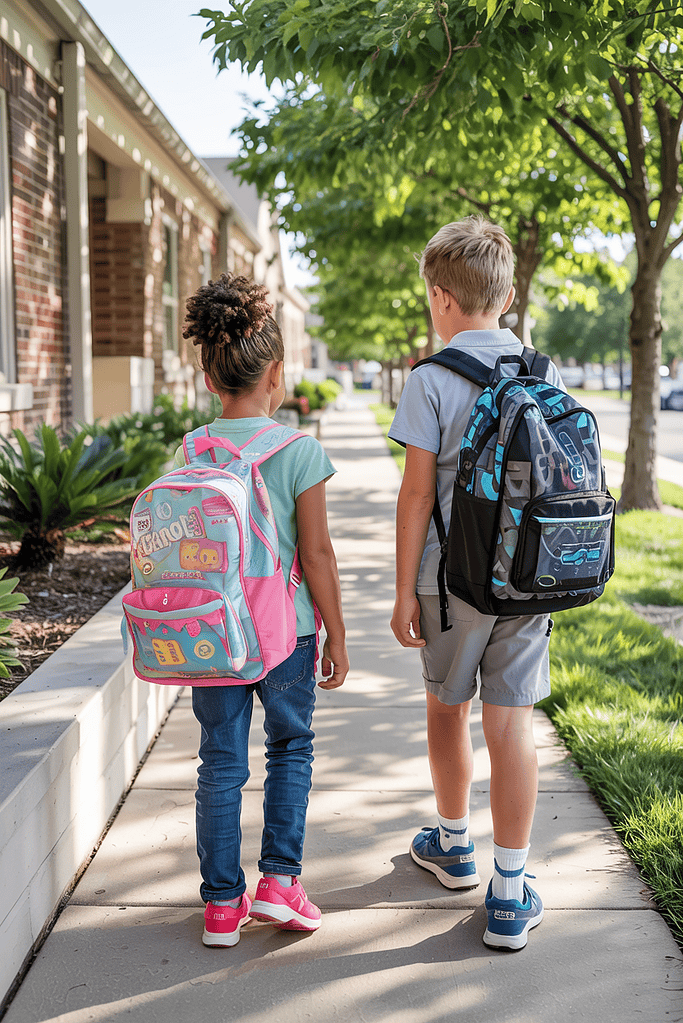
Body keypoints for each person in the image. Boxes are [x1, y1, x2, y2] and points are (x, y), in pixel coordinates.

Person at [388, 216, 564, 952]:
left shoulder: (429, 378)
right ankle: (510, 888)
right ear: (509, 293)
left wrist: (404, 592)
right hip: (524, 579)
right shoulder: (542, 372)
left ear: (438, 297)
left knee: (445, 707)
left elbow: (417, 495)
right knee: (511, 722)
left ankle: (454, 844)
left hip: (447, 582)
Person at [178, 272, 349, 947]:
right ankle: (279, 882)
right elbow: (318, 554)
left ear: (207, 373)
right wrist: (336, 632)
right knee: (290, 747)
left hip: (214, 633)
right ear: (275, 373)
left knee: (219, 759)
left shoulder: (192, 449)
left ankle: (221, 905)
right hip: (288, 634)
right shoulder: (298, 450)